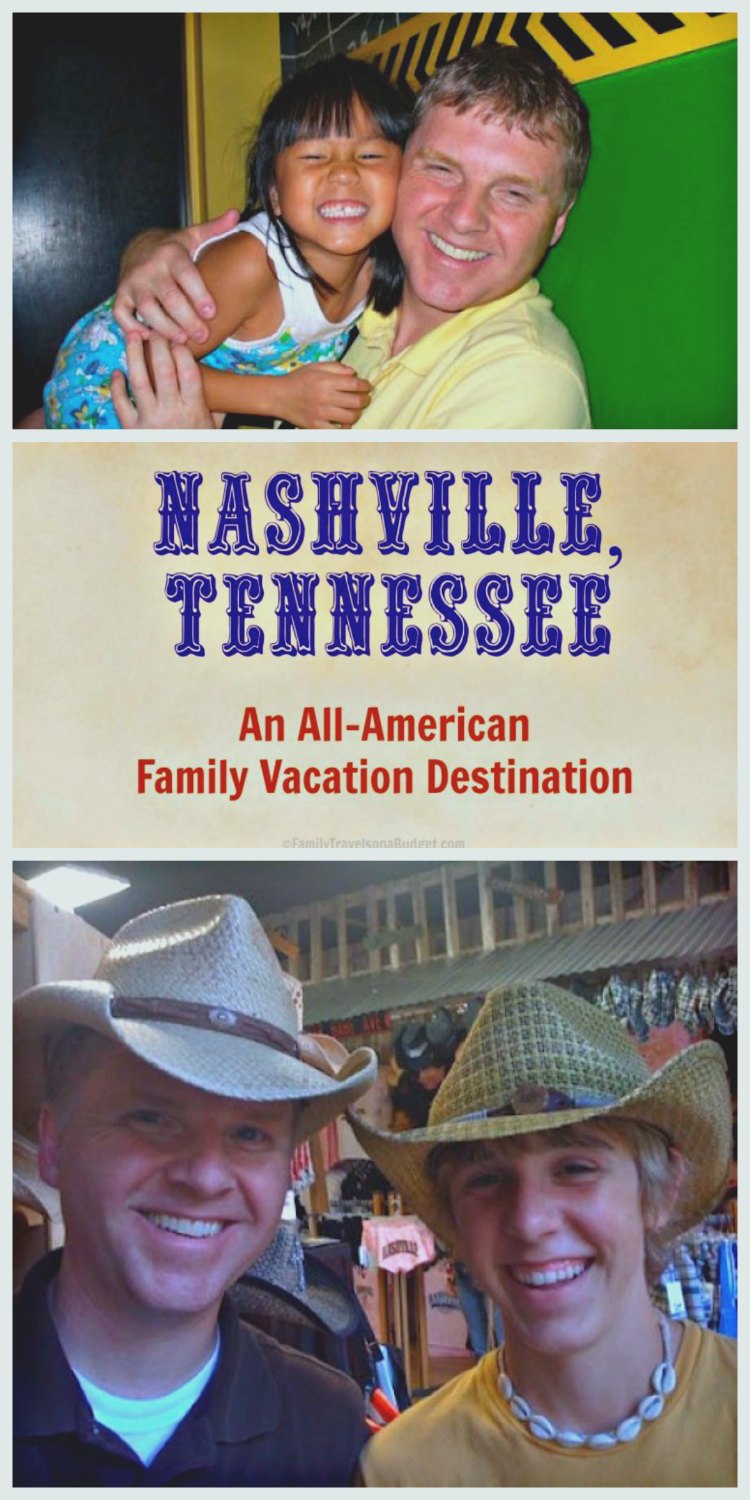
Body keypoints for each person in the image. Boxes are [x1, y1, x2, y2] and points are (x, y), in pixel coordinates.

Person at [13, 893, 378, 1485]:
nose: (205, 1176)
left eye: (250, 1132)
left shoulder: (330, 1433)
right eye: (151, 1118)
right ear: (54, 1145)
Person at [350, 980, 736, 1485]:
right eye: (487, 1179)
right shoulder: (402, 1472)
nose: (530, 1221)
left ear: (659, 1192)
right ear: (455, 1222)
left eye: (576, 1169)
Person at [115, 45, 591, 430]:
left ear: (559, 221)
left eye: (512, 193)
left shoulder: (526, 384)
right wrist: (151, 248)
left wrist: (184, 469)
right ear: (402, 169)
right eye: (442, 170)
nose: (465, 218)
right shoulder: (366, 282)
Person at [40, 58, 409, 429]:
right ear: (274, 194)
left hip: (193, 388)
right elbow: (154, 361)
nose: (344, 172)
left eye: (370, 155)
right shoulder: (251, 264)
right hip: (112, 382)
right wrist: (280, 397)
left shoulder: (381, 267)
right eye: (314, 156)